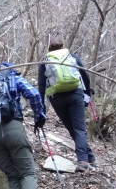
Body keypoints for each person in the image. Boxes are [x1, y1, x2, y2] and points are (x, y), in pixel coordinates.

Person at [37, 36, 96, 172]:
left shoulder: (45, 62)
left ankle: (89, 158)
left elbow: (41, 86)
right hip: (75, 95)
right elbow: (85, 76)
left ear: (49, 49)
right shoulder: (72, 57)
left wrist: (41, 107)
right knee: (79, 129)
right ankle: (84, 159)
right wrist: (86, 93)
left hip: (57, 99)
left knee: (72, 128)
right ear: (63, 47)